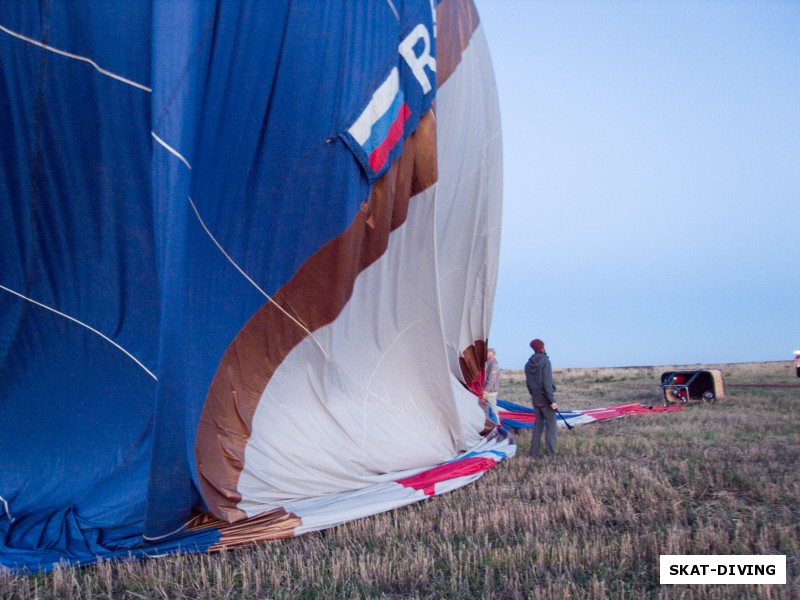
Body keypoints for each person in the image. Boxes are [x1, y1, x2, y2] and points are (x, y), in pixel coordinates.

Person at [525, 338, 557, 458]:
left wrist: (534, 394)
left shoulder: (528, 364)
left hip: (536, 398)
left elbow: (528, 383)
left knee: (538, 426)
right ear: (542, 347)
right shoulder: (546, 362)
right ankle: (550, 454)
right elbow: (547, 383)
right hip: (545, 399)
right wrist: (552, 401)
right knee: (551, 428)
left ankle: (534, 453)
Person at [484, 348, 500, 413]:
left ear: (492, 354)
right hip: (488, 391)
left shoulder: (494, 366)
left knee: (493, 409)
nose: (486, 353)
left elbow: (491, 380)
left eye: (488, 352)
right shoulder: (488, 364)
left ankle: (496, 423)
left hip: (490, 392)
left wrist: (485, 391)